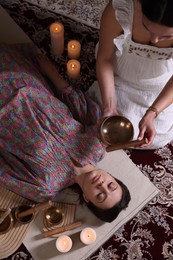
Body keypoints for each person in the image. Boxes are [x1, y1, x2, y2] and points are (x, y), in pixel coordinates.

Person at [0, 43, 130, 222]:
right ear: (112, 177)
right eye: (111, 185)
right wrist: (51, 72)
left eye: (100, 196)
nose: (102, 185)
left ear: (86, 199)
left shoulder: (45, 187)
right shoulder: (97, 143)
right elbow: (73, 100)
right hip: (25, 81)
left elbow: (4, 171)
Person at [90, 0, 173, 149]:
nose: (154, 40)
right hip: (119, 74)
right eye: (146, 27)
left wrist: (152, 113)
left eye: (166, 37)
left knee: (155, 136)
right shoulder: (122, 7)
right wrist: (109, 106)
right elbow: (105, 58)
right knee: (96, 116)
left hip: (159, 87)